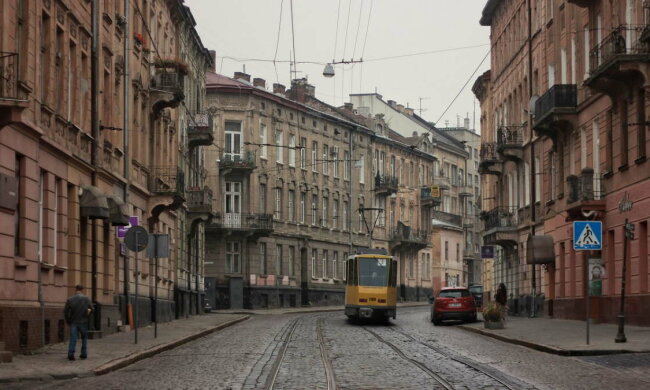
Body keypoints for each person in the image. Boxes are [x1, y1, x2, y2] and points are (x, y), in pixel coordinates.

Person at [64, 285, 93, 361]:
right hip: (83, 321)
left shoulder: (70, 299)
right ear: (82, 290)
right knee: (84, 338)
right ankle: (83, 354)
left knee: (73, 338)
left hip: (74, 322)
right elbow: (91, 309)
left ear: (75, 290)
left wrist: (68, 320)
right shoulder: (86, 299)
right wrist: (87, 314)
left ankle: (71, 354)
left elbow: (66, 312)